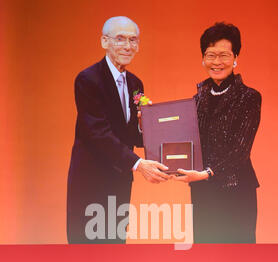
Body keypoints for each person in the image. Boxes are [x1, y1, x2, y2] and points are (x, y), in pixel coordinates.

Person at [67, 15, 169, 244]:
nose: (128, 46)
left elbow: (132, 133)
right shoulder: (88, 79)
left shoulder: (135, 84)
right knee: (86, 252)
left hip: (120, 182)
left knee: (114, 248)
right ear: (104, 41)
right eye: (120, 39)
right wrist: (139, 164)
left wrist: (147, 126)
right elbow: (97, 132)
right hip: (91, 182)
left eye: (133, 40)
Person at [174, 22, 261, 243]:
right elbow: (185, 140)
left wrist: (207, 173)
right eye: (210, 55)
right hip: (203, 191)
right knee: (206, 257)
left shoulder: (249, 97)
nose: (217, 62)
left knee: (238, 258)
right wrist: (147, 124)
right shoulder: (197, 99)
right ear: (203, 59)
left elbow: (240, 149)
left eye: (224, 55)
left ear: (235, 58)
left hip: (236, 190)